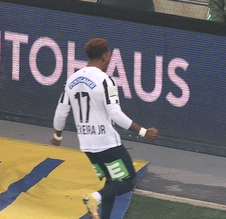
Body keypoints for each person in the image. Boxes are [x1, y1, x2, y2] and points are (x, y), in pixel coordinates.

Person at [50, 38, 159, 219]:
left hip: (87, 145)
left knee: (112, 180)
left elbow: (61, 112)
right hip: (107, 143)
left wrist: (58, 135)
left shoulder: (71, 80)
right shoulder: (106, 81)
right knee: (128, 181)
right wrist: (143, 132)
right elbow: (115, 114)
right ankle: (95, 197)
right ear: (105, 56)